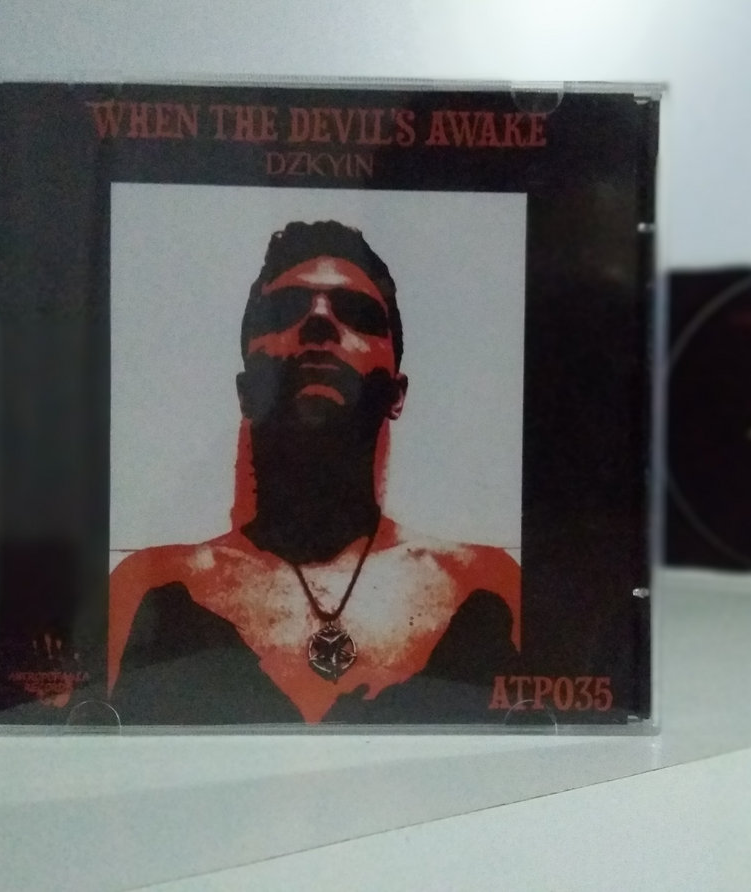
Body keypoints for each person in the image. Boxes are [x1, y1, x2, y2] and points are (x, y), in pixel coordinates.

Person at [107, 221, 521, 724]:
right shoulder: (153, 586)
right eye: (285, 311)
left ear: (396, 394)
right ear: (246, 394)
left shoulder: (483, 585)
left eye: (357, 314)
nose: (319, 321)